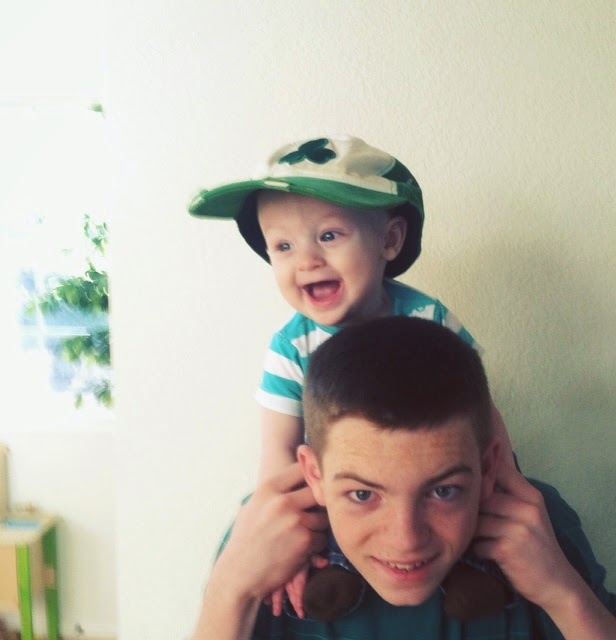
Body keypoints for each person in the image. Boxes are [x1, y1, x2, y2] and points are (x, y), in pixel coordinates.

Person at [189, 134, 515, 620]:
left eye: (329, 236)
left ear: (390, 240)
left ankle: (474, 572)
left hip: (441, 497)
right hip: (340, 501)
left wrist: (507, 482)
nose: (307, 260)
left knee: (455, 504)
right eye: (283, 245)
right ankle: (332, 571)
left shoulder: (428, 318)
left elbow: (481, 415)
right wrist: (287, 539)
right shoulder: (290, 349)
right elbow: (278, 455)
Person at [192, 316, 616, 640]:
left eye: (443, 491)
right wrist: (231, 592)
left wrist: (563, 593)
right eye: (362, 494)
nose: (406, 540)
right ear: (314, 474)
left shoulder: (536, 524)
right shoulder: (265, 536)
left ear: (488, 469)